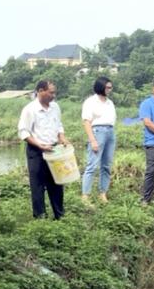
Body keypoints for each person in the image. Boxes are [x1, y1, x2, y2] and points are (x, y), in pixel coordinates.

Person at [17, 80, 70, 219]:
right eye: (51, 92)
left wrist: (62, 137)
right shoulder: (30, 109)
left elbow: (59, 125)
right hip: (37, 151)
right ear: (40, 91)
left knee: (57, 184)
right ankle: (40, 217)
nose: (53, 95)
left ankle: (59, 215)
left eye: (54, 92)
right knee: (38, 185)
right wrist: (40, 145)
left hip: (54, 150)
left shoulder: (55, 107)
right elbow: (24, 132)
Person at [81, 76, 117, 203]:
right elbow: (86, 122)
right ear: (100, 87)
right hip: (97, 132)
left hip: (110, 132)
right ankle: (85, 195)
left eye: (110, 87)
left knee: (106, 165)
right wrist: (93, 140)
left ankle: (103, 193)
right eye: (107, 87)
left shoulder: (109, 102)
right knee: (92, 165)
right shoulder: (91, 102)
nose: (109, 90)